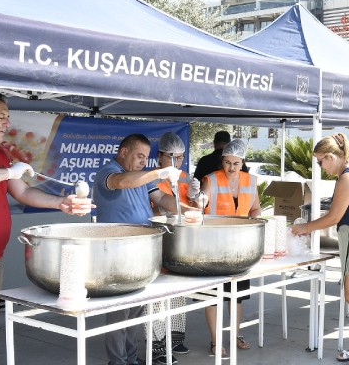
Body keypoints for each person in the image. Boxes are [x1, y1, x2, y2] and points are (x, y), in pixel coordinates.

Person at [0, 90, 91, 365]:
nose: (7, 124)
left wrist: (62, 203)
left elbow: (24, 194)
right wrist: (8, 172)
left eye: (8, 118)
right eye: (1, 117)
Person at [291, 133, 349, 364]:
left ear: (332, 156)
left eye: (321, 160)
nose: (320, 165)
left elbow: (333, 217)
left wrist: (304, 228)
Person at [93, 133, 183, 365]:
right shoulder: (108, 172)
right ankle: (118, 361)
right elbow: (122, 182)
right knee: (119, 311)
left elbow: (162, 199)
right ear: (123, 152)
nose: (144, 161)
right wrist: (159, 172)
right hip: (116, 251)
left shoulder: (143, 178)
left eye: (146, 157)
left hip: (142, 249)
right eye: (139, 156)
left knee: (135, 310)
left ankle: (132, 359)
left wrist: (191, 205)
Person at [194, 139, 260, 357]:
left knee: (237, 295)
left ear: (243, 162)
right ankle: (215, 341)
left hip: (240, 247)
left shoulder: (250, 181)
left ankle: (236, 334)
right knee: (213, 295)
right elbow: (201, 203)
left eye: (236, 163)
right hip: (211, 246)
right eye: (228, 162)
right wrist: (198, 198)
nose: (232, 167)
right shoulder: (211, 180)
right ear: (222, 161)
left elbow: (255, 209)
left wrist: (254, 224)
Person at [147, 132, 197, 365]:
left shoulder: (185, 176)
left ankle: (174, 337)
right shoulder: (150, 177)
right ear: (160, 156)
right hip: (158, 237)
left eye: (180, 157)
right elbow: (155, 206)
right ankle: (156, 346)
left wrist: (198, 199)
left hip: (179, 238)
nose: (177, 162)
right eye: (172, 157)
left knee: (177, 290)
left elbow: (191, 204)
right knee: (157, 294)